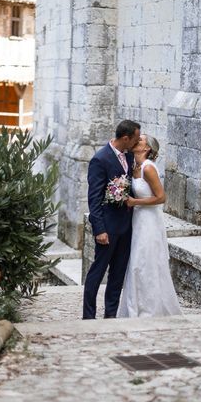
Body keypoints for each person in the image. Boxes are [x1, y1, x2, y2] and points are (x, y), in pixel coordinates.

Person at [117, 134, 181, 318]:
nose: (137, 140)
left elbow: (161, 197)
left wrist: (134, 202)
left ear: (147, 148)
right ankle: (134, 305)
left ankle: (149, 309)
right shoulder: (134, 166)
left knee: (145, 261)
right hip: (138, 219)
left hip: (149, 221)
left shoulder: (148, 168)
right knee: (137, 262)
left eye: (141, 139)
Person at [83, 120, 141, 319]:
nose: (137, 142)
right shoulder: (100, 159)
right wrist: (99, 229)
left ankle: (110, 316)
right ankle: (89, 317)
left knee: (117, 276)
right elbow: (94, 198)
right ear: (126, 138)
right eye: (135, 139)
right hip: (107, 228)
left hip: (126, 227)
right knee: (97, 273)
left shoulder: (131, 155)